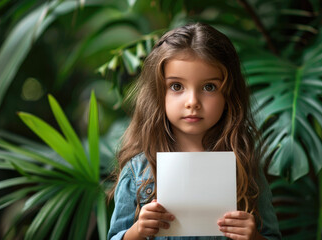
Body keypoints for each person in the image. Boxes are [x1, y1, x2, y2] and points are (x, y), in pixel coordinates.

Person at [107, 23, 281, 240]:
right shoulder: (137, 171)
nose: (192, 102)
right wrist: (137, 231)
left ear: (228, 94)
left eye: (209, 87)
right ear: (158, 93)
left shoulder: (244, 165)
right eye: (176, 86)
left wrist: (253, 236)